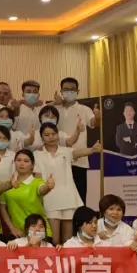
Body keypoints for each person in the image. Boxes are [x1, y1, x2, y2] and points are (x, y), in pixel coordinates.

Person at [34, 123, 101, 243]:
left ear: (58, 135)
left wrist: (92, 149)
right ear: (42, 137)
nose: (51, 137)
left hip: (69, 198)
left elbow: (78, 152)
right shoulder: (37, 154)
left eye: (53, 134)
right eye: (47, 135)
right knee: (54, 239)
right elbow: (37, 178)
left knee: (68, 239)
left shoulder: (65, 151)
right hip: (50, 199)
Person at [52, 77, 101, 205]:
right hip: (57, 160)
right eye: (66, 89)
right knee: (58, 198)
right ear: (61, 91)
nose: (69, 92)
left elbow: (95, 124)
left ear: (78, 91)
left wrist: (98, 117)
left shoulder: (84, 109)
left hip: (80, 161)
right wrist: (55, 104)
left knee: (79, 199)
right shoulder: (54, 109)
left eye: (72, 89)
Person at [0, 149, 54, 239]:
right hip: (18, 234)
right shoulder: (9, 184)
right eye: (19, 160)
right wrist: (12, 228)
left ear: (32, 165)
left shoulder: (37, 182)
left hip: (38, 232)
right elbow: (2, 208)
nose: (21, 163)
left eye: (26, 161)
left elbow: (42, 190)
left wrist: (48, 187)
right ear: (14, 162)